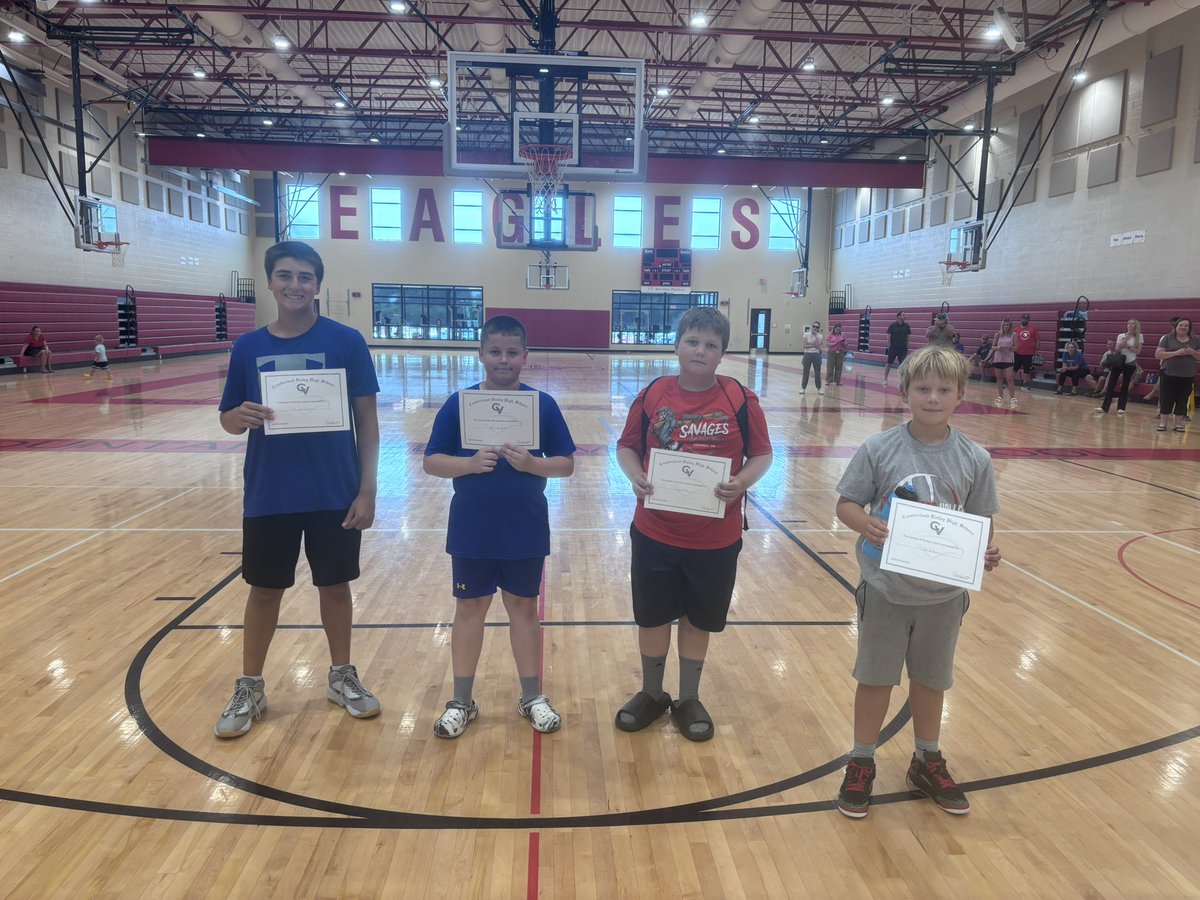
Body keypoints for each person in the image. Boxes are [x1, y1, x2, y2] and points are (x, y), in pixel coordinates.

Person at [214, 240, 381, 739]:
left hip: (334, 491)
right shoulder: (248, 348)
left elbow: (367, 424)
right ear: (269, 282)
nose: (294, 285)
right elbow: (227, 418)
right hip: (270, 492)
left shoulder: (347, 341)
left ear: (318, 284)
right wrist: (236, 418)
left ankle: (341, 675)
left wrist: (368, 489)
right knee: (264, 591)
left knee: (335, 586)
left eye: (305, 277)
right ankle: (251, 686)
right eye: (285, 275)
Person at [833, 346, 1001, 818]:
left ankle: (927, 758)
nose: (932, 397)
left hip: (944, 597)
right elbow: (845, 503)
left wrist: (986, 550)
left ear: (961, 395)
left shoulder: (975, 457)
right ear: (904, 391)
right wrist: (862, 523)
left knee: (931, 680)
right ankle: (861, 760)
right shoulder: (879, 448)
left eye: (943, 389)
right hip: (886, 590)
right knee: (875, 678)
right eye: (922, 388)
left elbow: (981, 519)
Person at [614, 307, 773, 742]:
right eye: (692, 341)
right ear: (677, 343)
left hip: (715, 538)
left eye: (710, 345)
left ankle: (687, 697)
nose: (700, 350)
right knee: (651, 616)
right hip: (655, 530)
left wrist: (741, 481)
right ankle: (651, 693)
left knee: (698, 619)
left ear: (723, 353)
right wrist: (636, 476)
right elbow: (627, 447)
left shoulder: (740, 399)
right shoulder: (653, 394)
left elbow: (762, 454)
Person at [422, 315, 577, 738]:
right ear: (481, 354)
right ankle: (461, 701)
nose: (503, 360)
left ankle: (531, 697)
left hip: (524, 527)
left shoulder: (542, 405)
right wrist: (470, 464)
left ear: (525, 356)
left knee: (524, 610)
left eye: (512, 352)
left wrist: (533, 463)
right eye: (495, 352)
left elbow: (566, 462)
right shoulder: (460, 403)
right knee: (470, 610)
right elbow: (431, 460)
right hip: (472, 527)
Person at [1154, 317, 1200, 433]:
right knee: (1166, 399)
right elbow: (1158, 355)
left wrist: (1192, 352)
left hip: (1187, 375)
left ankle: (1178, 424)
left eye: (1186, 325)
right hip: (1168, 373)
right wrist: (1175, 353)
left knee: (1182, 399)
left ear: (1189, 328)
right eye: (1181, 325)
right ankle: (1163, 423)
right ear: (1176, 326)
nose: (1183, 327)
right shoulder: (1167, 338)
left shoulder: (1196, 339)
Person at [1096, 318, 1143, 416]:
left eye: (1132, 323)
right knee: (1111, 384)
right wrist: (1123, 344)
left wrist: (1128, 346)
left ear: (1136, 325)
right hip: (1119, 361)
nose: (1130, 325)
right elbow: (1117, 348)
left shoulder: (1139, 337)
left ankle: (1121, 407)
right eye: (1128, 323)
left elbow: (1138, 351)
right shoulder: (1121, 335)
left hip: (1130, 362)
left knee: (1125, 385)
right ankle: (1104, 407)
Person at [986, 318, 1018, 406]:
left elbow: (1016, 348)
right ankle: (1000, 396)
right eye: (1004, 325)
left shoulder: (1014, 335)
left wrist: (1009, 348)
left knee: (1009, 378)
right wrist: (999, 347)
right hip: (998, 358)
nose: (1006, 326)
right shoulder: (997, 334)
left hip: (1008, 359)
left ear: (1010, 326)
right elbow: (993, 347)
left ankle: (1012, 398)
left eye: (1007, 325)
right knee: (999, 378)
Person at [882, 312, 911, 387]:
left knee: (903, 365)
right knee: (889, 364)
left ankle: (902, 381)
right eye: (903, 315)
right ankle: (885, 379)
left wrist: (907, 345)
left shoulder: (907, 326)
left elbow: (908, 337)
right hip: (893, 348)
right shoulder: (892, 326)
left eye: (905, 315)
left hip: (903, 349)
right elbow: (888, 336)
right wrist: (889, 346)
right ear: (898, 316)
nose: (905, 316)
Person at [1013, 313, 1040, 392]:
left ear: (1029, 320)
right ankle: (1010, 382)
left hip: (1029, 353)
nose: (1025, 320)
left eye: (1027, 318)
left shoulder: (1033, 329)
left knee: (1026, 369)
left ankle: (1025, 383)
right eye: (1024, 318)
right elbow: (1013, 340)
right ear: (1021, 319)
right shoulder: (1016, 329)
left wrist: (1037, 350)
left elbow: (1037, 339)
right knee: (1014, 368)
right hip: (1017, 352)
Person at [800, 321, 825, 395]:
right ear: (811, 326)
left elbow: (818, 346)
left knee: (817, 372)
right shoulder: (806, 334)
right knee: (806, 372)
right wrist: (813, 344)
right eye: (814, 326)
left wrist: (816, 336)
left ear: (818, 328)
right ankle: (803, 388)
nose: (815, 328)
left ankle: (819, 388)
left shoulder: (819, 336)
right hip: (807, 354)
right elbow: (805, 346)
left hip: (816, 355)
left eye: (817, 327)